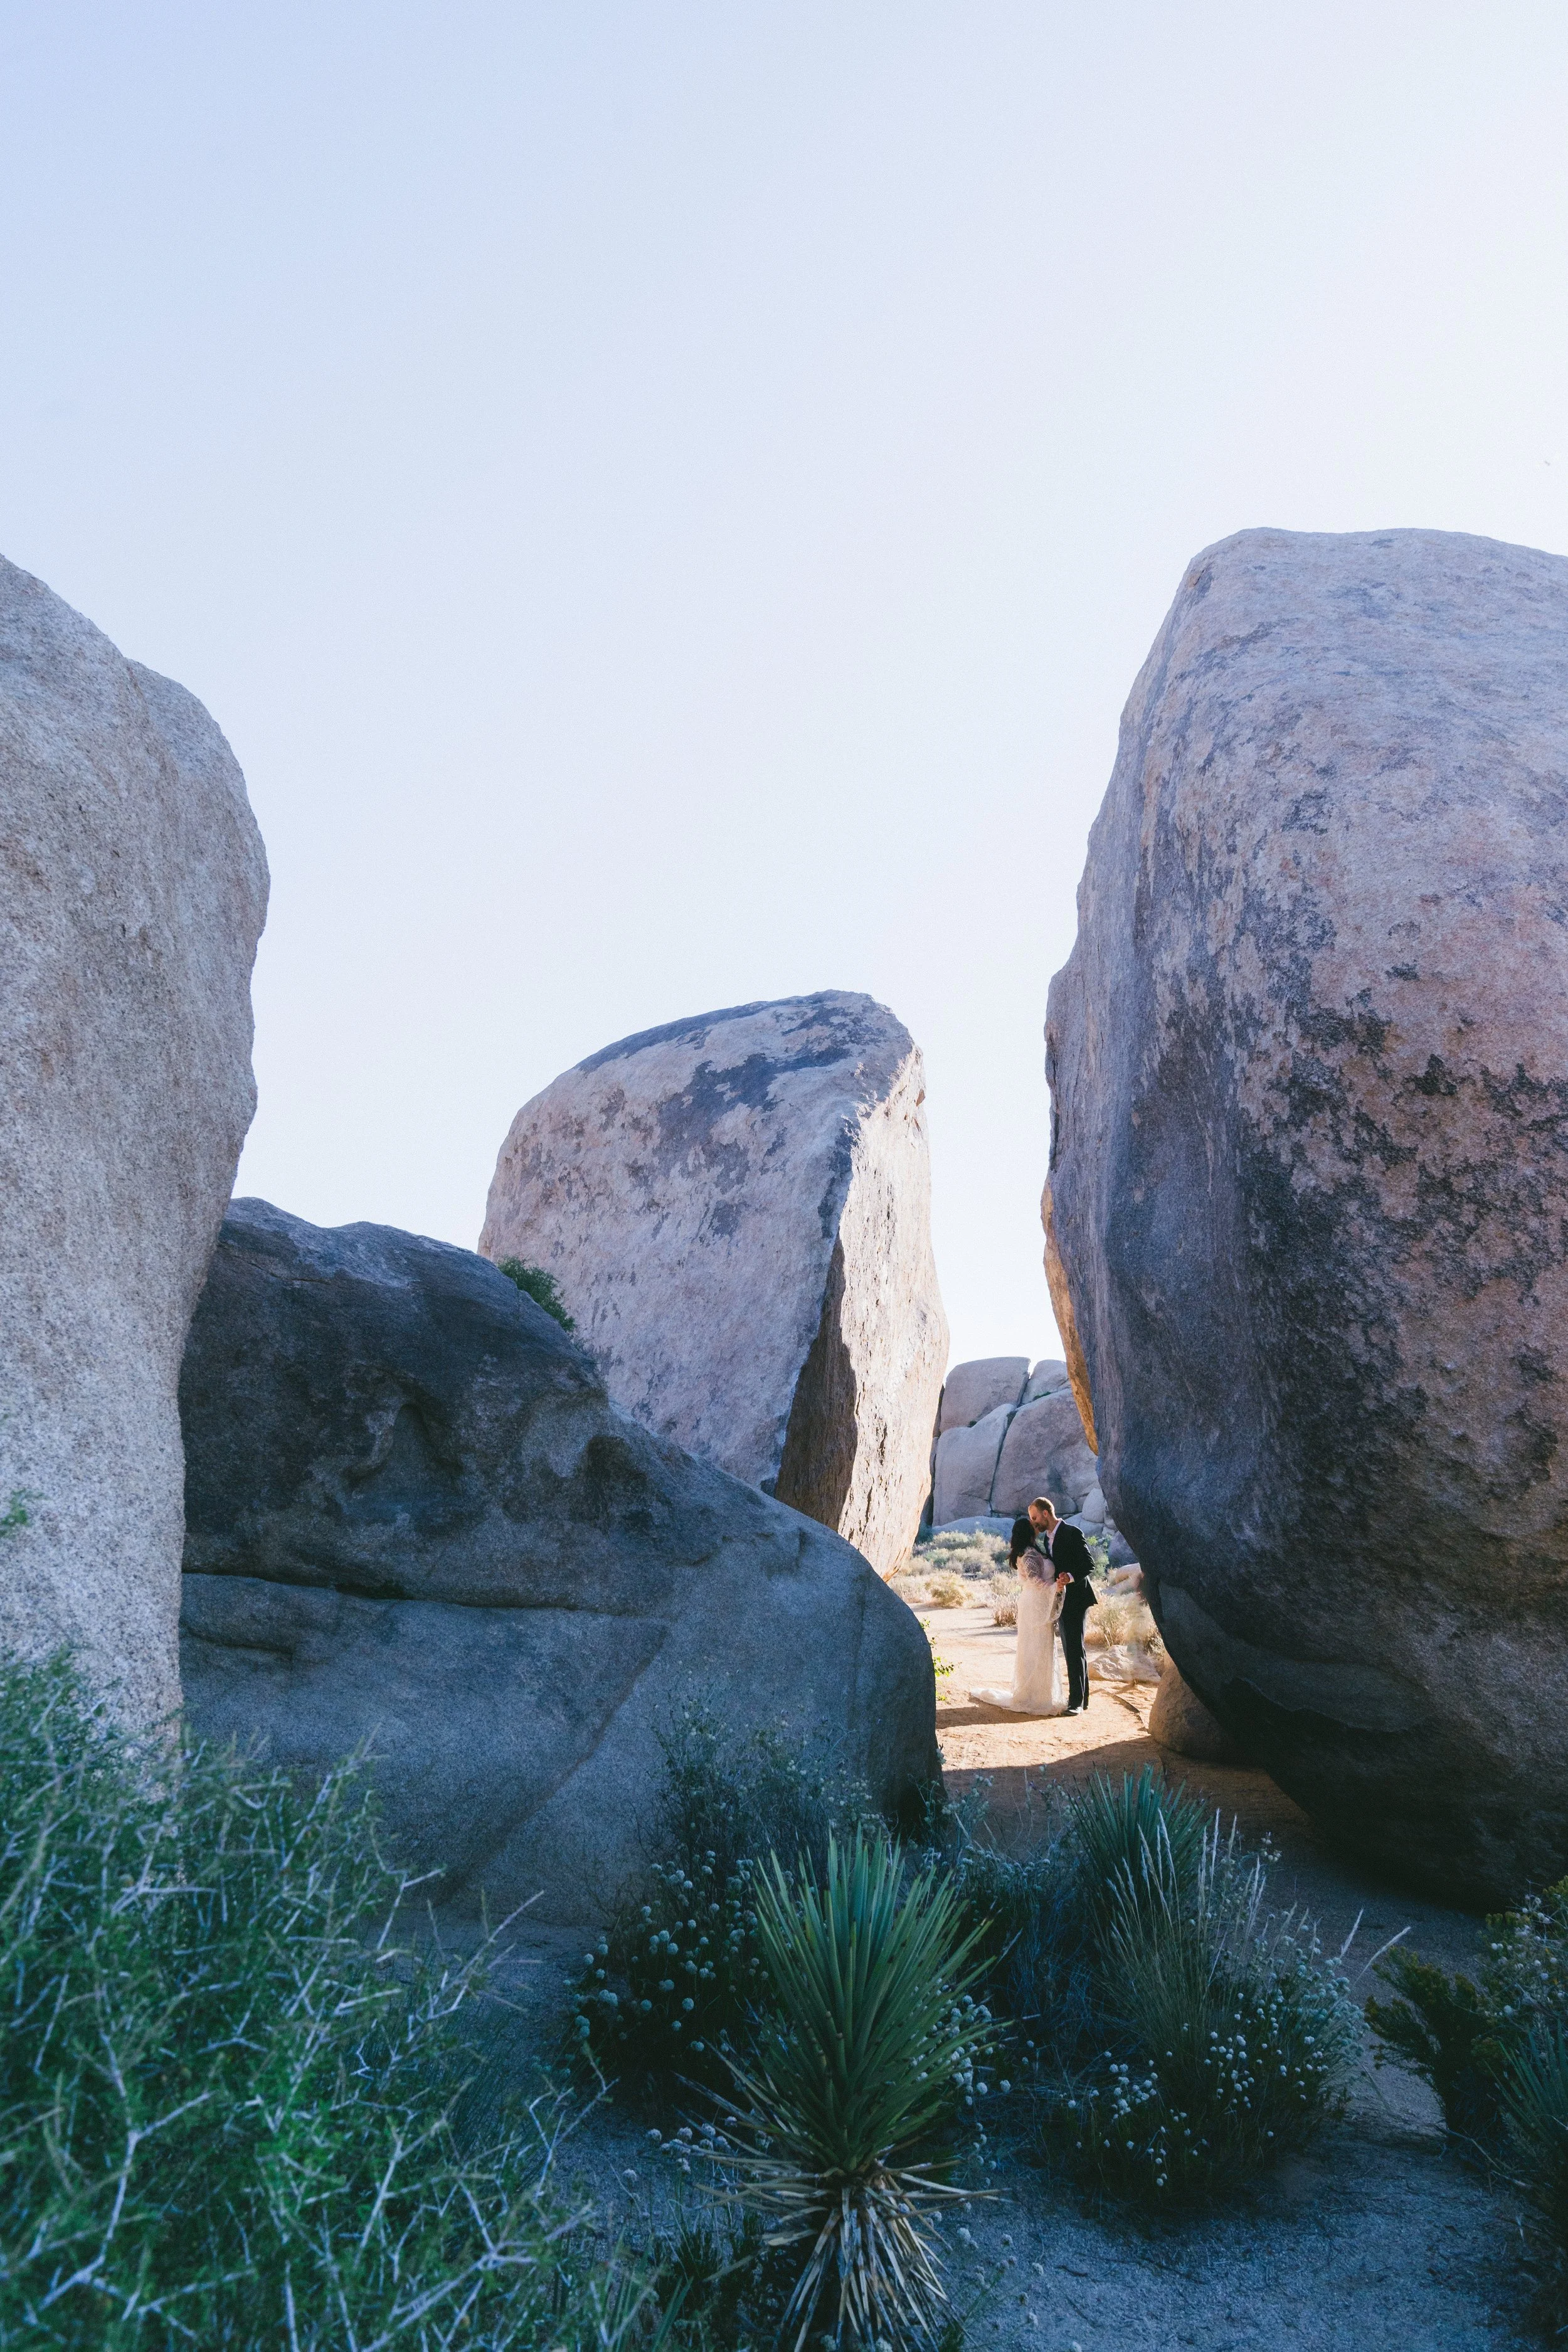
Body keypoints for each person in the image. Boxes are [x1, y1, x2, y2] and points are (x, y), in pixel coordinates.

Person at [968, 1502, 1066, 1715]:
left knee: (1040, 1647)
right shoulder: (1029, 1554)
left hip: (1037, 1604)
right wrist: (1055, 1587)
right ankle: (1033, 1696)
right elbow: (1036, 1581)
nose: (1036, 1526)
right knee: (1036, 1648)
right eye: (1032, 1525)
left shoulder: (1031, 1551)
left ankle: (1039, 1694)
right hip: (1035, 1605)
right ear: (1027, 1532)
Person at [1033, 1493, 1098, 1714]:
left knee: (1074, 1649)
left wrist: (1069, 1577)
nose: (1034, 1523)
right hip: (1062, 1601)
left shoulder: (1072, 1532)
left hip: (1077, 1598)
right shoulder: (1046, 1538)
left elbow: (1089, 1564)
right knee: (1073, 1648)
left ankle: (1076, 1703)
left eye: (1035, 1518)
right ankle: (1083, 1699)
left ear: (1045, 1513)